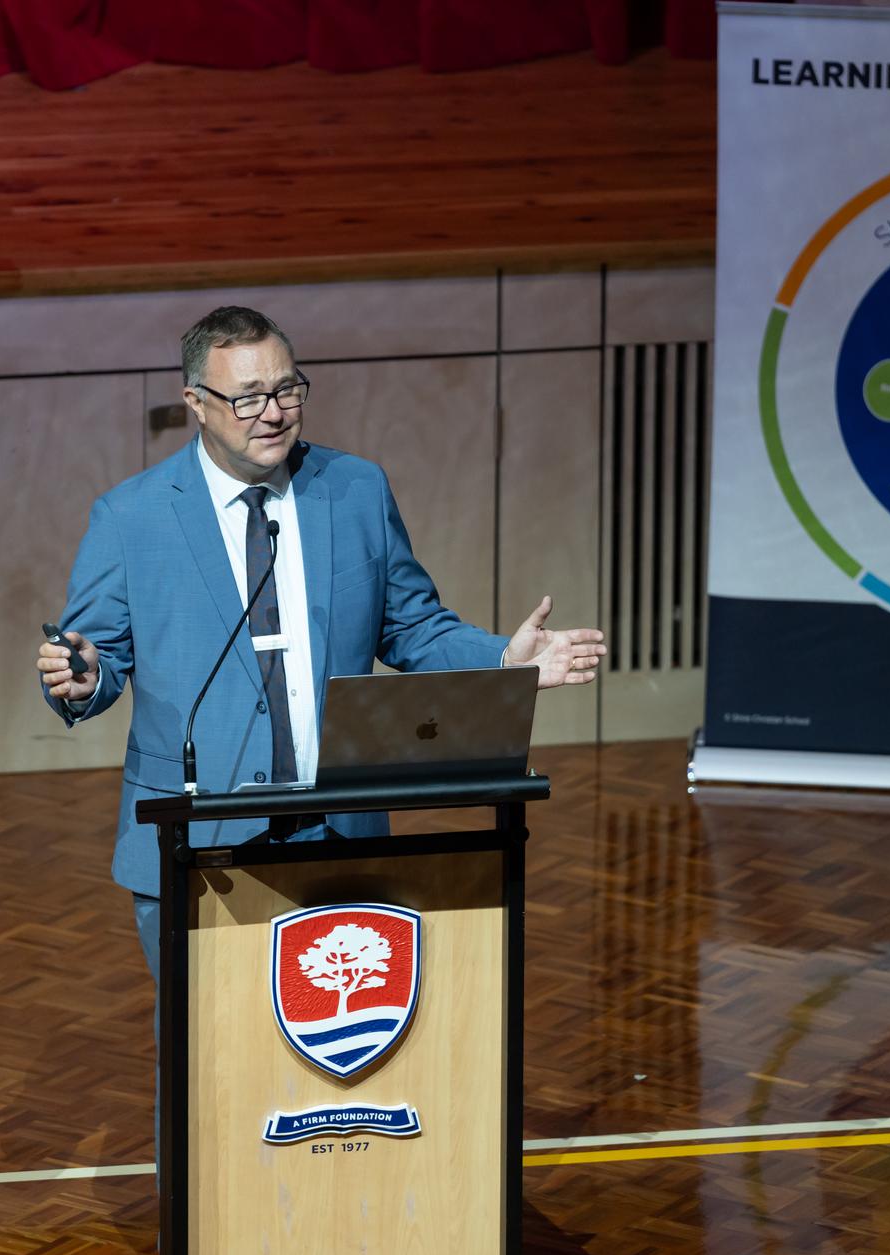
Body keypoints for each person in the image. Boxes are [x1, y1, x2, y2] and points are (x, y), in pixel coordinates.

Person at [37, 305, 605, 974]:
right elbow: (95, 658)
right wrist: (84, 679)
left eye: (288, 389)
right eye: (248, 398)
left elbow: (412, 624)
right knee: (207, 1040)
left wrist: (505, 659)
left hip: (338, 825)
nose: (274, 413)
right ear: (196, 403)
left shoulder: (355, 490)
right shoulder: (132, 516)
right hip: (196, 834)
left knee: (337, 1023)